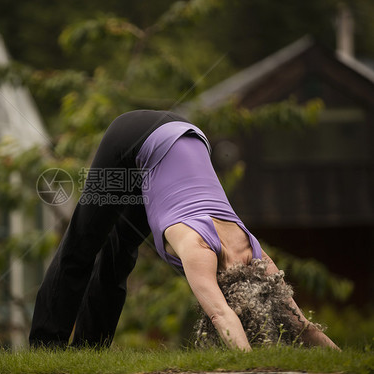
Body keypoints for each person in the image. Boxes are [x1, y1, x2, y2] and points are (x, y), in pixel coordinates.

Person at [29, 110, 339, 350]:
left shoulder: (255, 254)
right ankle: (46, 348)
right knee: (82, 245)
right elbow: (221, 315)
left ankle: (88, 352)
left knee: (119, 254)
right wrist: (249, 365)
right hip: (132, 136)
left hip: (185, 136)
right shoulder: (199, 251)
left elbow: (303, 326)